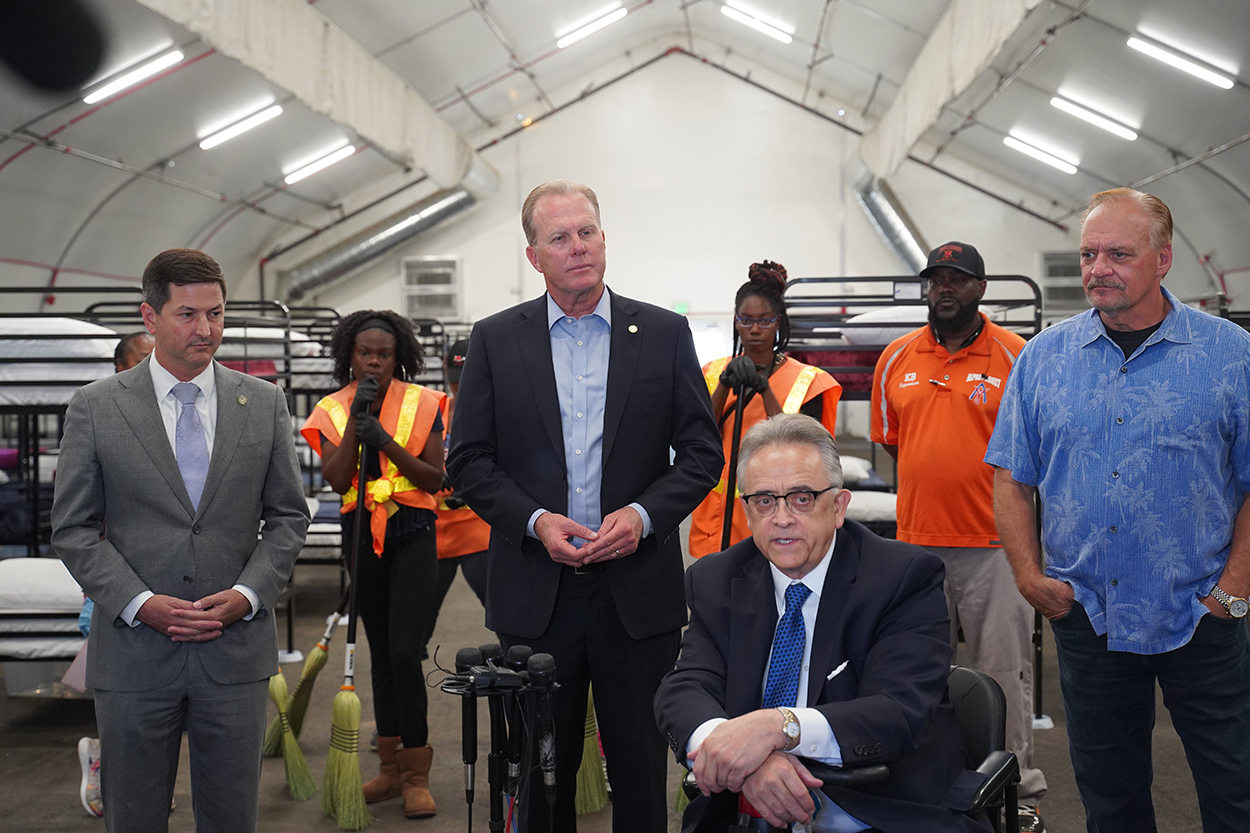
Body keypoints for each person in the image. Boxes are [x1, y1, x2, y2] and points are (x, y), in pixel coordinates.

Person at [447, 179, 723, 832]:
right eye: (560, 237)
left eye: (588, 232)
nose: (578, 248)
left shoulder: (661, 332)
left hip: (637, 595)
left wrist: (643, 516)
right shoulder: (494, 340)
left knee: (640, 774)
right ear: (533, 255)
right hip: (537, 595)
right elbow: (469, 462)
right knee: (539, 776)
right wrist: (537, 522)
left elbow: (701, 455)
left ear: (604, 238)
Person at [986, 187, 1250, 833]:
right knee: (1110, 797)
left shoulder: (1230, 354)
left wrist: (1233, 593)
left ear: (1162, 260)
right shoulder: (1043, 359)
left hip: (1201, 615)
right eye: (1088, 253)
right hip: (1088, 615)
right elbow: (1011, 476)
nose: (1098, 267)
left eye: (1118, 253)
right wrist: (1027, 576)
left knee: (1236, 788)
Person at [51, 248, 310, 833]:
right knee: (135, 815)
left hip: (234, 648)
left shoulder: (263, 402)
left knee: (231, 816)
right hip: (135, 652)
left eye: (216, 314)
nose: (207, 329)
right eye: (188, 315)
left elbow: (289, 517)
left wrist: (249, 593)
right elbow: (72, 529)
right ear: (150, 317)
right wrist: (141, 603)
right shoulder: (96, 408)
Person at [656, 414, 983, 833]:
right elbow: (683, 688)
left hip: (879, 811)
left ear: (839, 506)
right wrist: (744, 758)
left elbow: (896, 712)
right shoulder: (715, 579)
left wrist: (779, 727)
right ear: (748, 512)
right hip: (747, 809)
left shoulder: (903, 576)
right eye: (765, 500)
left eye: (802, 498)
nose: (783, 517)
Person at [871, 241, 1045, 832]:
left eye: (958, 279)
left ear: (981, 288)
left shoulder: (1017, 356)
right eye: (936, 279)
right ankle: (931, 783)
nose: (945, 288)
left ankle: (1016, 792)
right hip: (916, 547)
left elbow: (1035, 451)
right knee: (919, 672)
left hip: (997, 546)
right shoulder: (896, 358)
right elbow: (894, 443)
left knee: (1002, 672)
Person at [300, 309, 446, 819]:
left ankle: (416, 775)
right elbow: (338, 481)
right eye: (366, 353)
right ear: (350, 356)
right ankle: (389, 771)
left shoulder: (425, 403)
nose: (375, 362)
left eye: (385, 354)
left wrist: (385, 441)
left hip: (413, 533)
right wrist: (359, 431)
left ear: (399, 356)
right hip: (360, 533)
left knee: (406, 651)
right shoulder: (334, 409)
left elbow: (433, 479)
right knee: (379, 655)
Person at [688, 261, 841, 558]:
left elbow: (800, 443)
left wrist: (763, 387)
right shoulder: (710, 373)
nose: (755, 329)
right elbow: (699, 430)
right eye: (745, 320)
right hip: (718, 515)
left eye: (765, 320)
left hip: (778, 511)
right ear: (735, 321)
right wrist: (723, 383)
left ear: (779, 322)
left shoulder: (809, 381)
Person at [75, 328, 156, 818]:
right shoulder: (100, 416)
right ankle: (109, 763)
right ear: (120, 370)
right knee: (124, 689)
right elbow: (80, 518)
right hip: (116, 579)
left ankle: (121, 765)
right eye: (140, 359)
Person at [426, 339, 489, 653]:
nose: (458, 385)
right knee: (417, 625)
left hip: (480, 532)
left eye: (464, 378)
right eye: (453, 377)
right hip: (436, 531)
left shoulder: (495, 409)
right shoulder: (433, 408)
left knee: (508, 618)